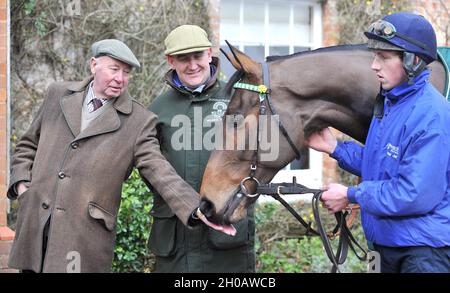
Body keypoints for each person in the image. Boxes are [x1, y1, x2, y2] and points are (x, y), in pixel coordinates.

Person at [7, 39, 204, 273]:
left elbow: (158, 169)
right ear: (94, 65)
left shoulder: (139, 121)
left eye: (126, 72)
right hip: (36, 225)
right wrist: (22, 187)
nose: (120, 79)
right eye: (114, 69)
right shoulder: (57, 94)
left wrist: (194, 207)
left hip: (84, 238)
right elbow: (28, 144)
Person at [307, 12, 450, 273]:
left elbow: (414, 194)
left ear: (413, 61)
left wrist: (351, 195)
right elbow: (383, 165)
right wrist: (335, 148)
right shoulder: (390, 103)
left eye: (383, 58)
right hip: (383, 245)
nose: (374, 65)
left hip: (421, 252)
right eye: (375, 56)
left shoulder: (431, 115)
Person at [147, 25, 255, 272]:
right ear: (170, 60)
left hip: (227, 239)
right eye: (183, 59)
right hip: (175, 239)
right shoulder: (157, 109)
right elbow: (147, 165)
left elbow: (261, 159)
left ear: (209, 54)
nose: (192, 65)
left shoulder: (237, 100)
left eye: (197, 56)